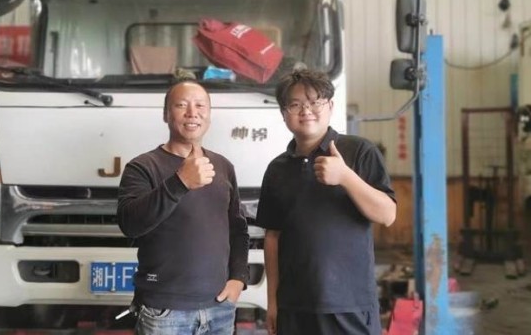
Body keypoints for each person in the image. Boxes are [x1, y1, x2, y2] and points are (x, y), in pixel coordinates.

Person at [256, 68, 397, 335]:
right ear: (284, 114)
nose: (306, 111)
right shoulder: (277, 169)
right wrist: (272, 302)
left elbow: (387, 215)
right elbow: (272, 237)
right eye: (295, 105)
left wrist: (345, 176)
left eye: (314, 102)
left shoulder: (360, 151)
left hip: (349, 305)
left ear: (330, 106)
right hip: (294, 306)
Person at [117, 79, 249, 335]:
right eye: (181, 105)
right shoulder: (143, 166)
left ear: (209, 114)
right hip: (164, 311)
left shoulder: (223, 166)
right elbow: (130, 225)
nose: (192, 113)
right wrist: (180, 182)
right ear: (166, 114)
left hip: (219, 308)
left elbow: (238, 229)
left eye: (200, 106)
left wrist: (238, 278)